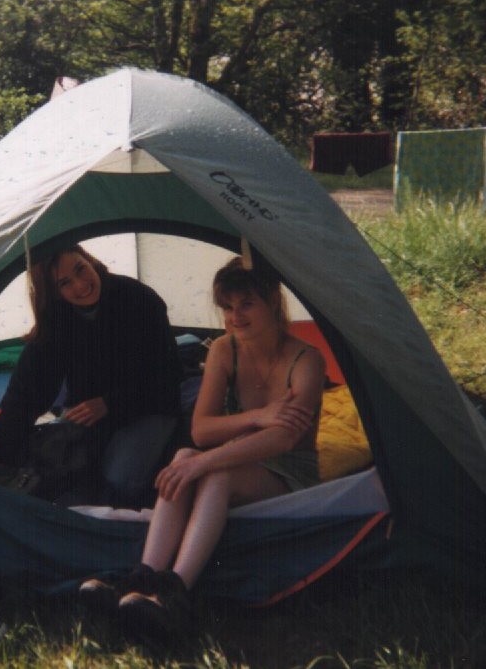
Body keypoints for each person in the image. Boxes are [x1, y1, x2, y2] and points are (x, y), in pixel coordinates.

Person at [79, 255, 326, 639]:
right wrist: (255, 417)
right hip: (233, 460)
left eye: (246, 304)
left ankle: (175, 596)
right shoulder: (224, 350)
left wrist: (206, 462)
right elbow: (201, 431)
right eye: (227, 307)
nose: (235, 316)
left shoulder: (306, 360)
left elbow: (285, 437)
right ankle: (140, 583)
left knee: (212, 472)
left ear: (273, 302)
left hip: (289, 472)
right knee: (184, 457)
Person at [0, 244, 183, 507]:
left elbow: (168, 377)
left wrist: (109, 404)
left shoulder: (139, 299)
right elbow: (26, 391)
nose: (81, 285)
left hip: (150, 405)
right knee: (58, 466)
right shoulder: (58, 319)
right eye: (65, 283)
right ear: (55, 293)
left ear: (89, 260)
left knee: (120, 479)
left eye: (81, 269)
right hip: (91, 412)